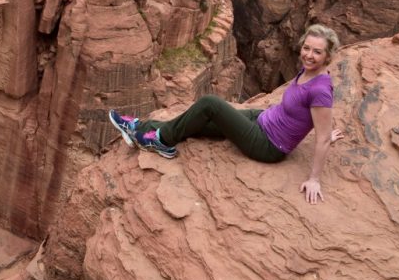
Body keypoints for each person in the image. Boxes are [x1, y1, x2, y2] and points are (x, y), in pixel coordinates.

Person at [109, 23, 344, 204]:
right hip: (261, 120)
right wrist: (322, 134)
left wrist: (315, 176)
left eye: (317, 52)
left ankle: (162, 142)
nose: (309, 55)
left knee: (210, 104)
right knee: (199, 120)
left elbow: (322, 132)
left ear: (327, 56)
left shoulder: (321, 89)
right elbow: (311, 121)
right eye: (306, 48)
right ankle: (140, 127)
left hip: (267, 144)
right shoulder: (308, 72)